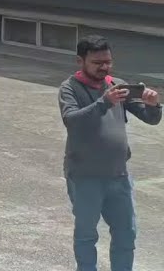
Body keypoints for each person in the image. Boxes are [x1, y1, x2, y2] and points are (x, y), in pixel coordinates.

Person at [60, 36, 161, 271]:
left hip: (119, 176)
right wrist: (103, 102)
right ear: (80, 61)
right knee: (86, 236)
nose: (104, 67)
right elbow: (72, 121)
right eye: (97, 62)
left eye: (108, 61)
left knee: (126, 234)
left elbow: (151, 119)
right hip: (85, 176)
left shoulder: (117, 84)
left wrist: (153, 105)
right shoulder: (69, 88)